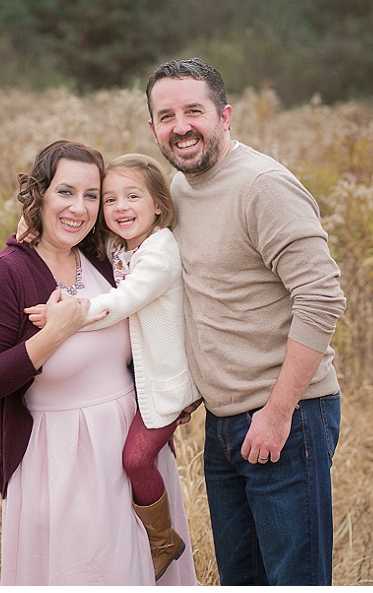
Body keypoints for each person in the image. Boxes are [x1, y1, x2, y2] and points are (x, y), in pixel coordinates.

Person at [144, 58, 347, 585]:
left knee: (293, 578)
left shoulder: (263, 185)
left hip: (287, 415)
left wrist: (278, 413)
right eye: (166, 116)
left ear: (225, 115)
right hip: (224, 423)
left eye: (194, 111)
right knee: (242, 578)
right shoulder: (178, 188)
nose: (181, 126)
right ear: (153, 129)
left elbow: (322, 296)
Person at [0, 140, 196, 586]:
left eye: (92, 195)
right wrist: (54, 334)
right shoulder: (5, 273)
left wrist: (173, 392)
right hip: (61, 463)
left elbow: (149, 323)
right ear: (40, 194)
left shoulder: (106, 259)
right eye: (65, 192)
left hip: (131, 450)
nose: (80, 207)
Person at [24, 153, 201, 580]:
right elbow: (74, 242)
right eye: (109, 199)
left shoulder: (160, 252)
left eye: (132, 197)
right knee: (135, 461)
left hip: (166, 385)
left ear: (159, 204)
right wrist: (30, 228)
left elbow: (122, 302)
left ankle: (162, 539)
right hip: (145, 385)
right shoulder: (121, 246)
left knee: (137, 459)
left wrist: (67, 317)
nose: (120, 207)